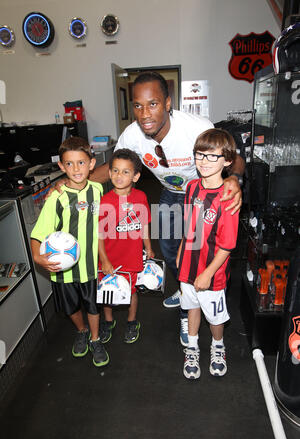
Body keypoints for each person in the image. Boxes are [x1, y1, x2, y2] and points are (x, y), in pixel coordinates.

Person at [51, 71, 245, 344]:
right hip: (169, 193)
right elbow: (111, 168)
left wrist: (235, 179)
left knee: (197, 248)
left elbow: (232, 157)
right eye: (138, 106)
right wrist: (70, 183)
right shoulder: (132, 135)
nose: (144, 114)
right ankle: (184, 287)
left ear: (167, 104)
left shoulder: (195, 127)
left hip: (199, 195)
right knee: (169, 249)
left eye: (152, 104)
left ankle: (191, 303)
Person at [30, 136, 109, 368]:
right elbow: (38, 232)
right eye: (70, 164)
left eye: (82, 163)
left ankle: (95, 339)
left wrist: (104, 256)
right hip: (62, 269)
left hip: (89, 265)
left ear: (92, 164)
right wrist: (36, 256)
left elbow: (101, 225)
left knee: (93, 305)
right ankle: (82, 331)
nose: (76, 169)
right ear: (61, 166)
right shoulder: (57, 196)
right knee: (71, 307)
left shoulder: (97, 189)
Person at [176, 128, 239, 380]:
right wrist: (181, 250)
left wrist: (207, 273)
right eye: (199, 154)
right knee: (191, 307)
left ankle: (217, 346)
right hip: (187, 267)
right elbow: (189, 225)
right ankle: (191, 348)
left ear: (227, 160)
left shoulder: (228, 197)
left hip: (212, 274)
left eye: (212, 156)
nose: (204, 161)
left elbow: (226, 246)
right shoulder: (191, 187)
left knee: (214, 316)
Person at [98, 148, 154, 344]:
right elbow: (99, 235)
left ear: (136, 176)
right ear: (109, 173)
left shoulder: (141, 198)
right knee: (107, 290)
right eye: (115, 170)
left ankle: (131, 321)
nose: (119, 175)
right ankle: (108, 321)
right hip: (109, 257)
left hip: (132, 256)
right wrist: (104, 259)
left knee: (131, 291)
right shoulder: (105, 201)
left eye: (125, 171)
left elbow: (145, 224)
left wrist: (149, 247)